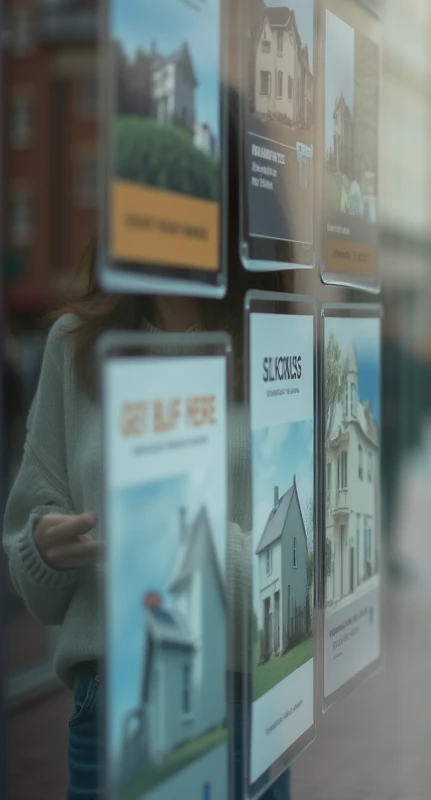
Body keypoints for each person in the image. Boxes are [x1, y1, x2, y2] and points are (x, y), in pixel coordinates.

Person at [0, 247, 293, 799]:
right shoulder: (75, 345)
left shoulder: (273, 349)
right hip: (113, 707)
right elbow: (32, 567)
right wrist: (40, 551)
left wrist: (189, 546)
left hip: (243, 706)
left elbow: (301, 577)